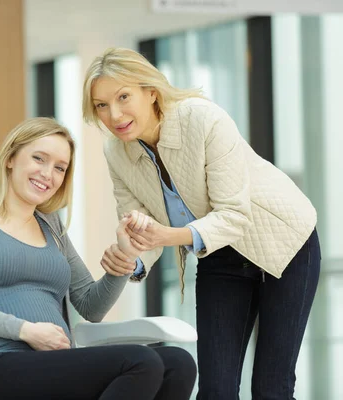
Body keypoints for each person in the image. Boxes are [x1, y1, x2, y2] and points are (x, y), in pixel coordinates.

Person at [82, 47, 321, 400]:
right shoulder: (116, 152)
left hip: (284, 244)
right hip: (218, 255)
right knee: (216, 390)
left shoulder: (202, 118)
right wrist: (130, 257)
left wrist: (167, 236)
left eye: (123, 97)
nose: (114, 114)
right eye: (101, 105)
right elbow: (141, 228)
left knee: (272, 387)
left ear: (150, 92)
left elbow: (234, 214)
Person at [0, 117, 197, 400]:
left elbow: (91, 306)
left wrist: (127, 256)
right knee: (140, 362)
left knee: (178, 363)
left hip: (51, 365)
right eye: (39, 159)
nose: (48, 174)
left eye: (60, 168)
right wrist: (26, 331)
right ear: (10, 158)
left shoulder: (52, 227)